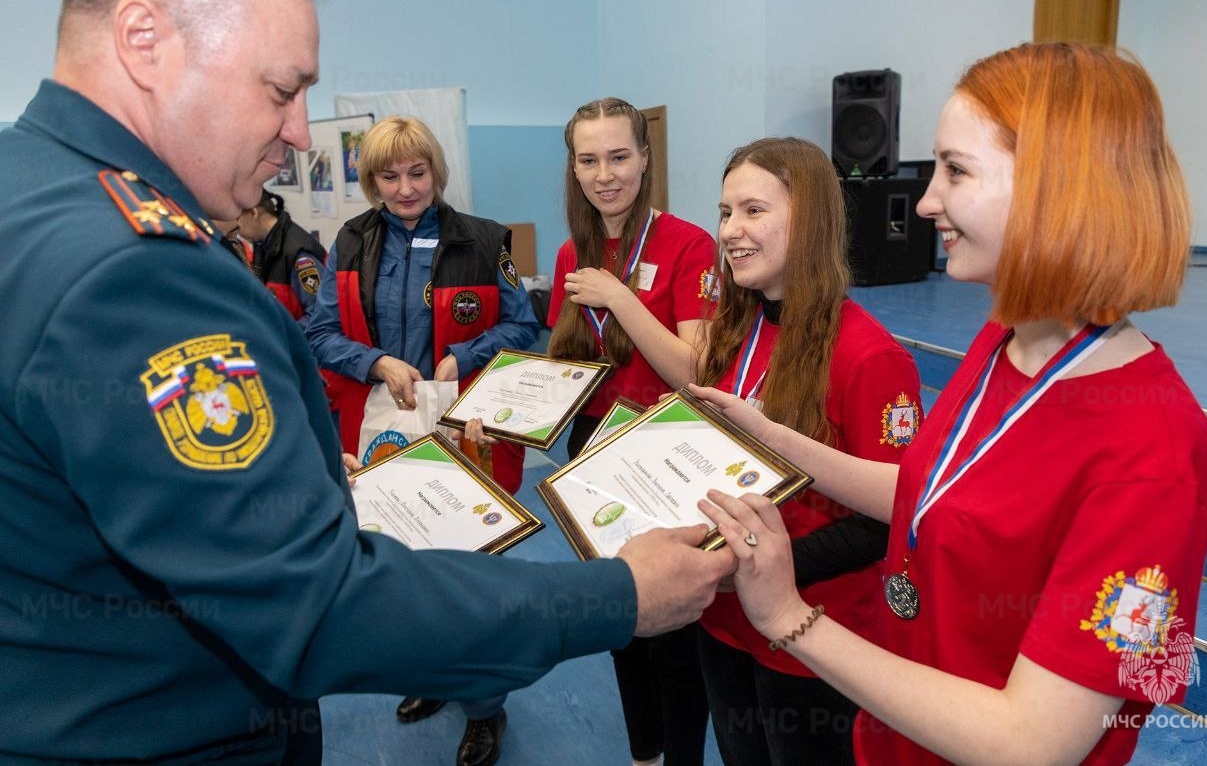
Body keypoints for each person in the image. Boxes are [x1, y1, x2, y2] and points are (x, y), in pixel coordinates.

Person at [0, 0, 733, 761]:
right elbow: (315, 608)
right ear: (143, 40)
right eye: (280, 90)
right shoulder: (136, 268)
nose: (301, 132)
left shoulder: (35, 188)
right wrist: (616, 596)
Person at [695, 43, 1207, 765]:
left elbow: (1033, 741)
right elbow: (926, 487)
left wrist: (791, 617)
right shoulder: (1003, 341)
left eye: (956, 170)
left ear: (1057, 187)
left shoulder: (1154, 449)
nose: (925, 200)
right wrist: (772, 437)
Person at [304, 114, 540, 762]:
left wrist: (463, 355)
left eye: (417, 171)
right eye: (389, 175)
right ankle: (433, 678)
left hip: (467, 433)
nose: (405, 188)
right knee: (406, 574)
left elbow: (524, 325)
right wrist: (376, 362)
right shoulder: (348, 243)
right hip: (384, 433)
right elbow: (318, 333)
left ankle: (486, 706)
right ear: (370, 179)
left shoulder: (487, 240)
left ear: (436, 169)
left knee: (470, 577)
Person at [695, 137, 921, 766]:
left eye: (753, 210)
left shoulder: (870, 357)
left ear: (812, 220)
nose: (731, 230)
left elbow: (885, 523)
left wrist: (763, 570)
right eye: (724, 212)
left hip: (812, 632)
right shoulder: (735, 333)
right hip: (724, 619)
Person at [546, 97, 719, 765]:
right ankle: (643, 753)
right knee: (623, 619)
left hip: (664, 449)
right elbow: (575, 366)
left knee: (674, 628)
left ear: (645, 159)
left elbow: (692, 369)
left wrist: (620, 295)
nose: (604, 173)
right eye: (588, 159)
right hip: (595, 445)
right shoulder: (570, 250)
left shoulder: (688, 244)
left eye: (619, 156)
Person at [237, 188, 327, 327]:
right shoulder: (264, 245)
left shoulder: (299, 253)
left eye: (237, 219)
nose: (236, 228)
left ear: (253, 212)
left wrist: (280, 336)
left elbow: (320, 317)